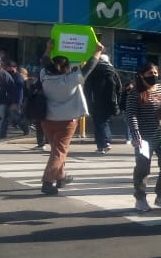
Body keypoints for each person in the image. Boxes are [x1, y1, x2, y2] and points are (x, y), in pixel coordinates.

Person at [39, 41, 103, 194]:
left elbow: (44, 62)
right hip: (67, 121)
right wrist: (97, 52)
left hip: (46, 118)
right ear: (67, 67)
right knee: (60, 151)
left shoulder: (44, 76)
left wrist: (48, 48)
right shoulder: (72, 79)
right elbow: (89, 67)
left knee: (56, 149)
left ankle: (61, 178)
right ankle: (47, 182)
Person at [125, 61, 161, 213]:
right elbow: (131, 115)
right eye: (150, 74)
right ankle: (140, 199)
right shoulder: (135, 93)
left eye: (155, 73)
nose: (153, 76)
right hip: (144, 139)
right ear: (141, 76)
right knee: (143, 168)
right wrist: (136, 135)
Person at [83, 53, 122, 153]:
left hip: (97, 101)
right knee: (104, 121)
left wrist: (87, 101)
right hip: (110, 101)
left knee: (99, 122)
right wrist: (117, 99)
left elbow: (88, 88)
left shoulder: (93, 70)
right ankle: (102, 145)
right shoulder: (113, 71)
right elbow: (119, 87)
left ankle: (104, 143)